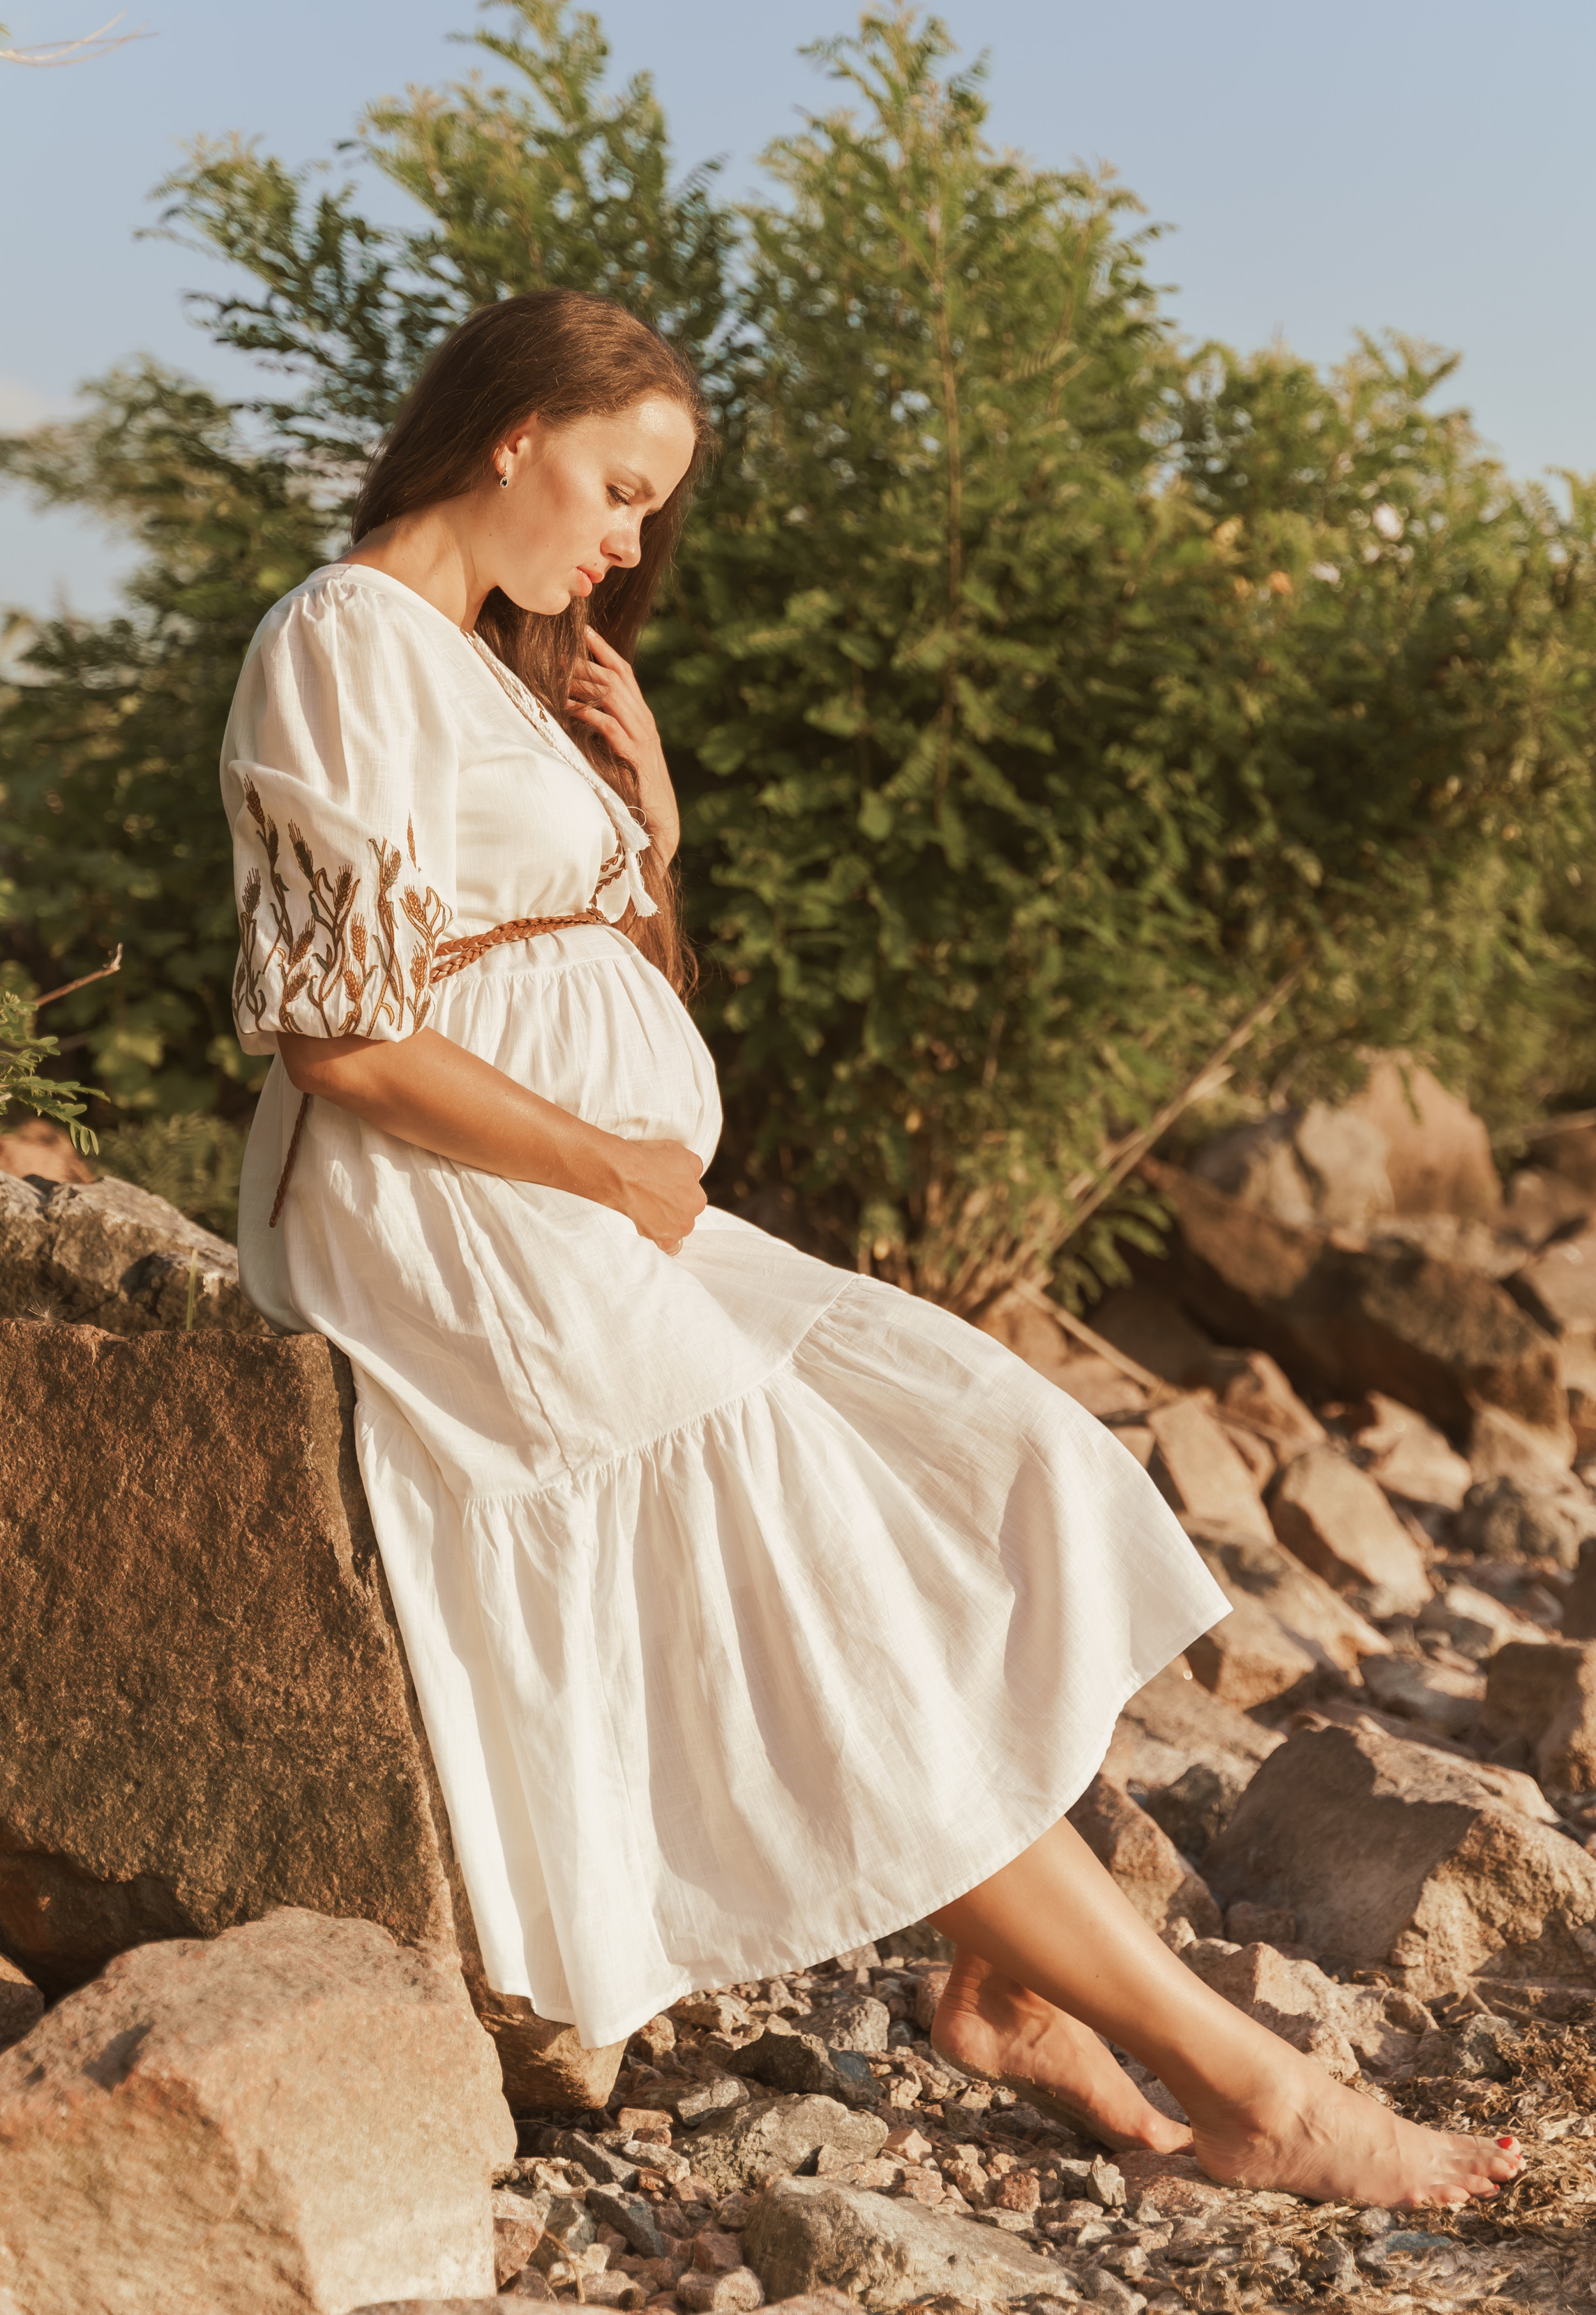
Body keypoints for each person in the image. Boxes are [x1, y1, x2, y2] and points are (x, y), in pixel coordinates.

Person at [221, 288, 1523, 2209]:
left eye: (651, 509)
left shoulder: (504, 680)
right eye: (616, 486)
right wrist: (605, 1164)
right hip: (467, 1232)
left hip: (601, 1215)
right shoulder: (342, 637)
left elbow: (577, 966)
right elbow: (332, 1027)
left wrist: (648, 826)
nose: (627, 543)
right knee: (818, 1587)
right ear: (510, 431)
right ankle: (1260, 2092)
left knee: (996, 1447)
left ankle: (1005, 1975)